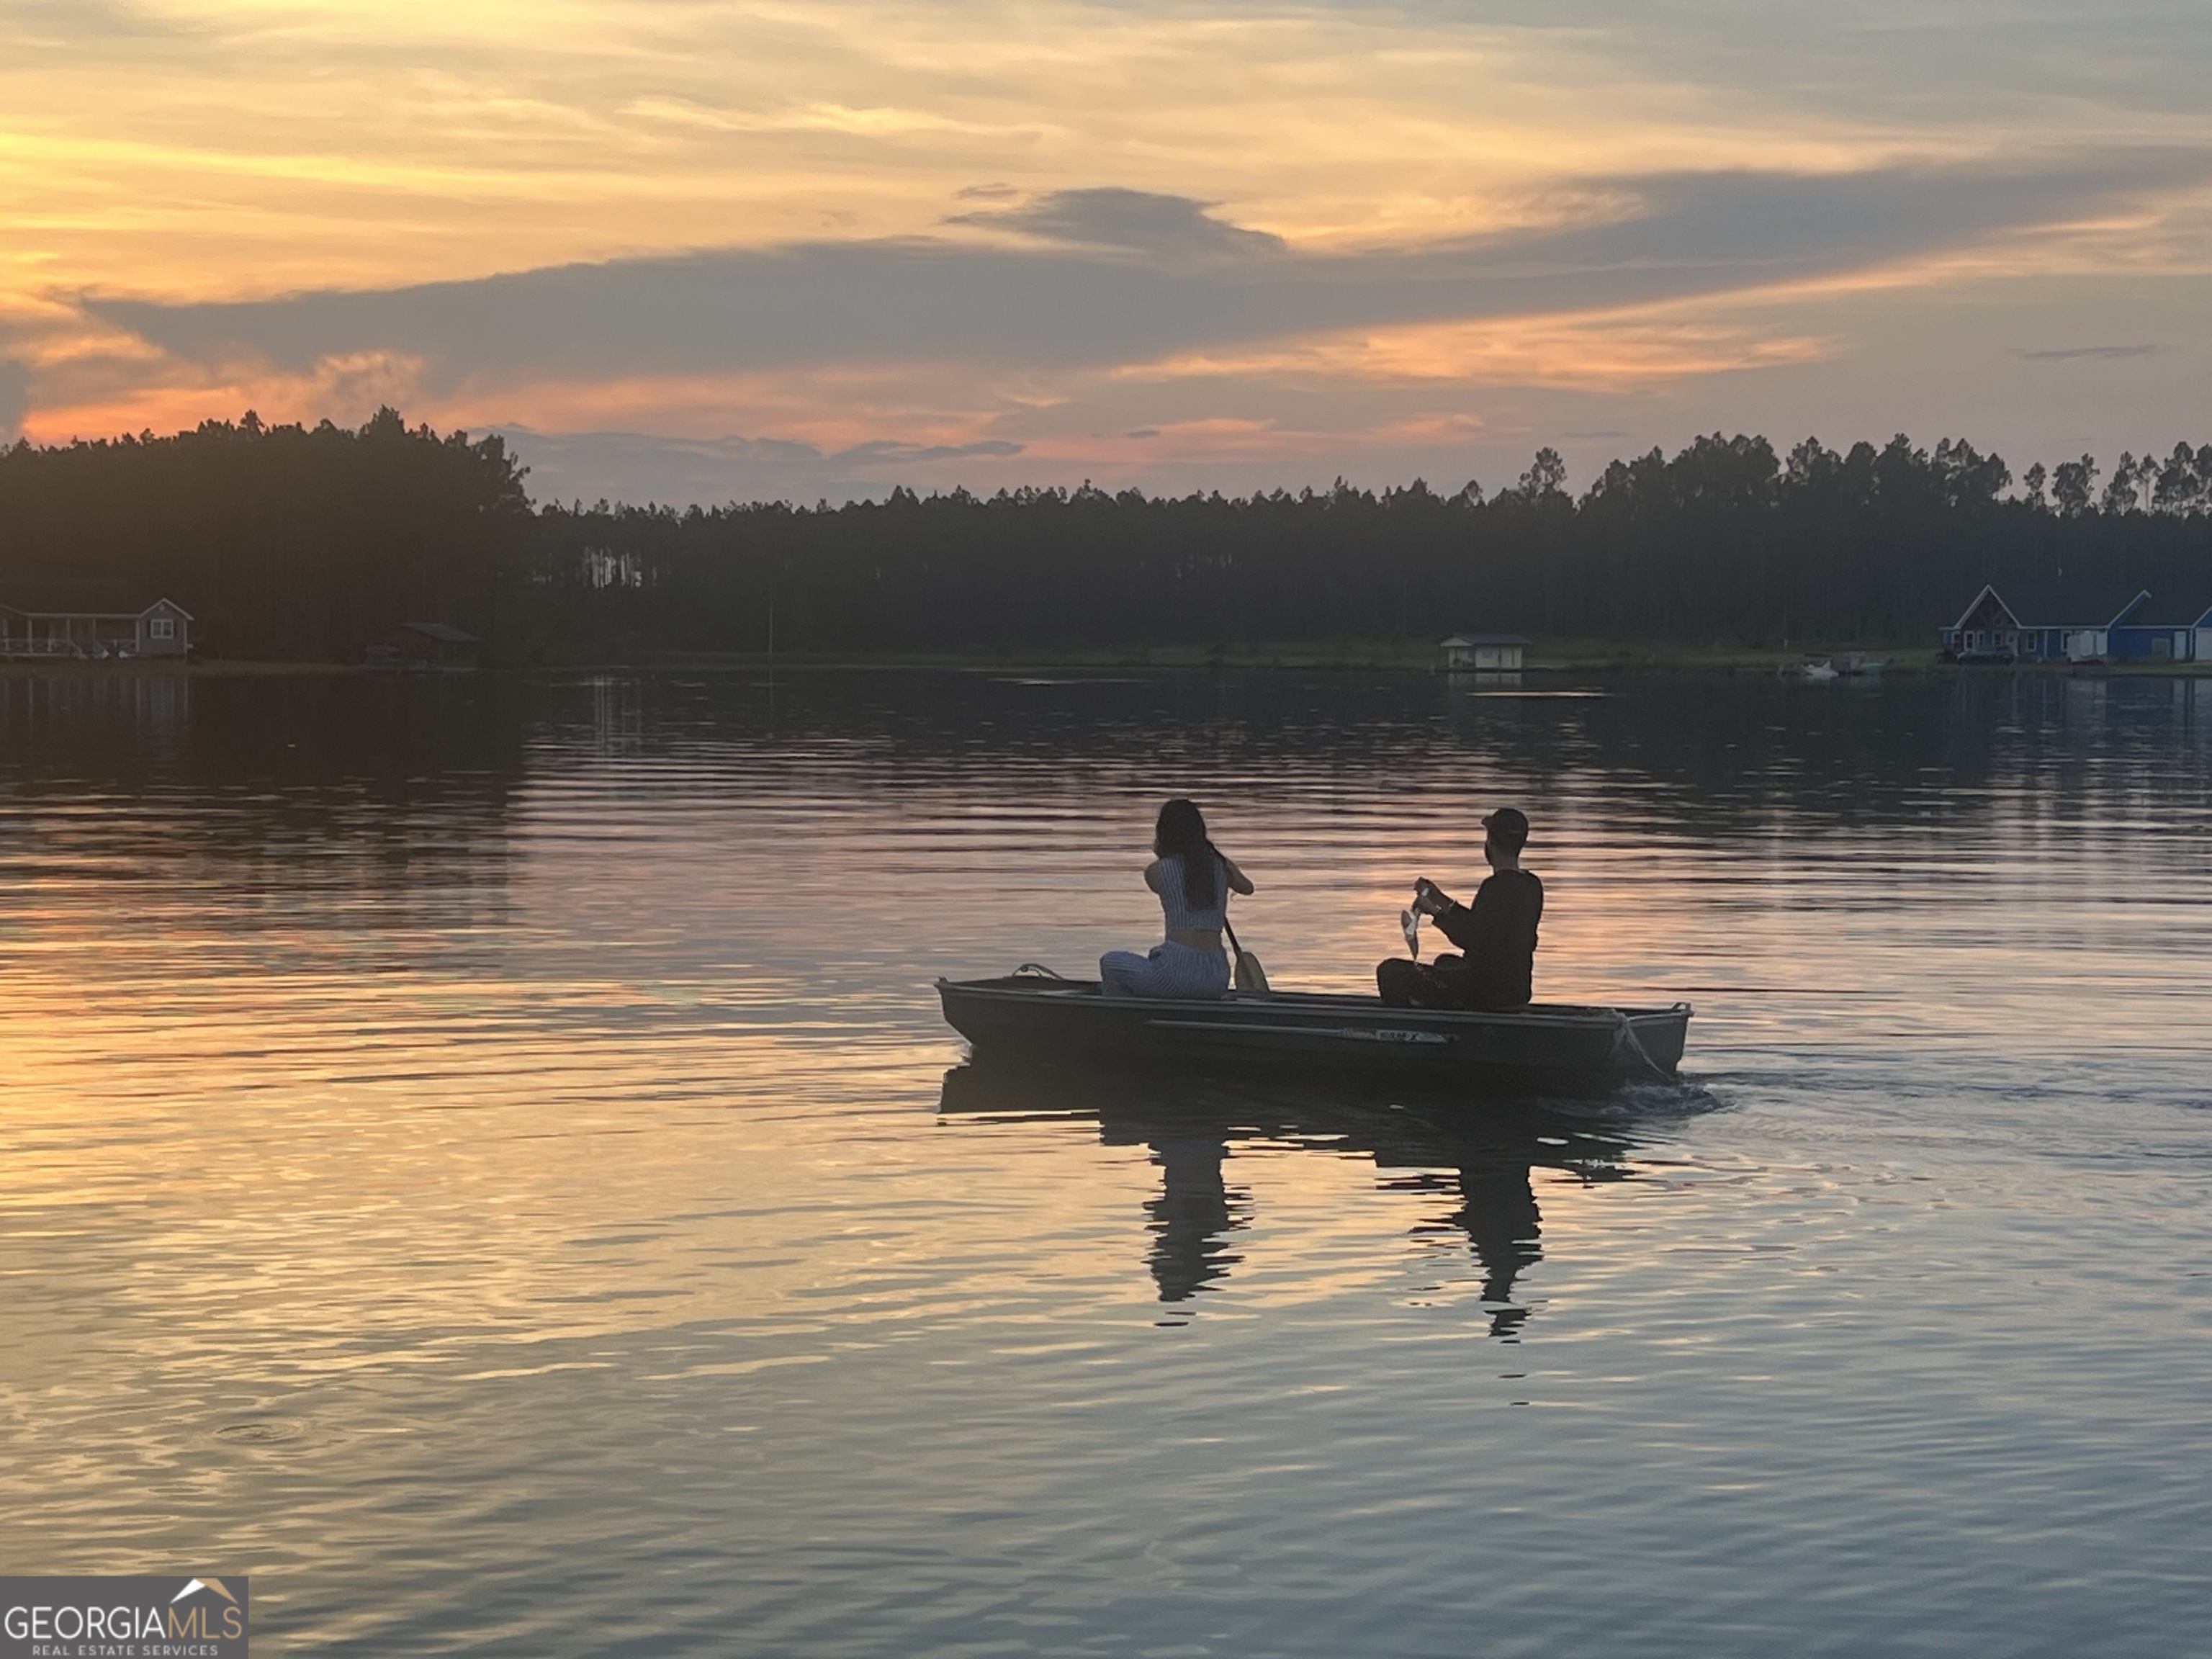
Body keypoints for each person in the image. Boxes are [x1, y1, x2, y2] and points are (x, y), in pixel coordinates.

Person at [1376, 806, 1542, 1010]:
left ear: (1490, 843)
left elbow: (1472, 938)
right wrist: (1439, 898)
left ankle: (1418, 1029)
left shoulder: (1494, 887)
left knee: (1390, 972)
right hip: (1515, 990)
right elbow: (1485, 928)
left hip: (1485, 993)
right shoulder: (1532, 885)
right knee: (1445, 962)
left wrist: (1436, 913)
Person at [1100, 799, 1255, 999]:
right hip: (1217, 977)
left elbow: (1168, 885)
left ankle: (1127, 1021)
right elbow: (1247, 888)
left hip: (1178, 974)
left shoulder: (1157, 871)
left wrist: (1161, 851)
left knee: (1110, 962)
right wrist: (1218, 859)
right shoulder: (1221, 866)